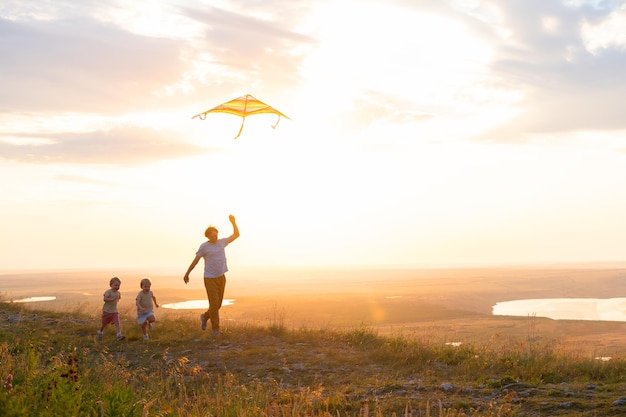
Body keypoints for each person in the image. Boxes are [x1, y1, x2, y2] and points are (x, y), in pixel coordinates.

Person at [184, 214, 240, 336]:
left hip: (221, 277)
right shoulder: (204, 247)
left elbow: (236, 235)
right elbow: (196, 260)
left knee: (218, 304)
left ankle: (204, 316)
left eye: (216, 235)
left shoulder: (222, 242)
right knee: (214, 304)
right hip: (210, 278)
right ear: (208, 236)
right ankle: (215, 329)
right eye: (212, 236)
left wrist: (233, 222)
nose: (214, 237)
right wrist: (188, 273)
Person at [97, 276, 125, 341]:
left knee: (117, 322)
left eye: (118, 285)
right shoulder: (108, 292)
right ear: (111, 285)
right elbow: (104, 299)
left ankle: (119, 334)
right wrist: (111, 299)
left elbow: (118, 299)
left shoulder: (118, 293)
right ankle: (100, 331)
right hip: (106, 311)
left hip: (114, 311)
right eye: (115, 285)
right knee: (104, 324)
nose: (117, 287)